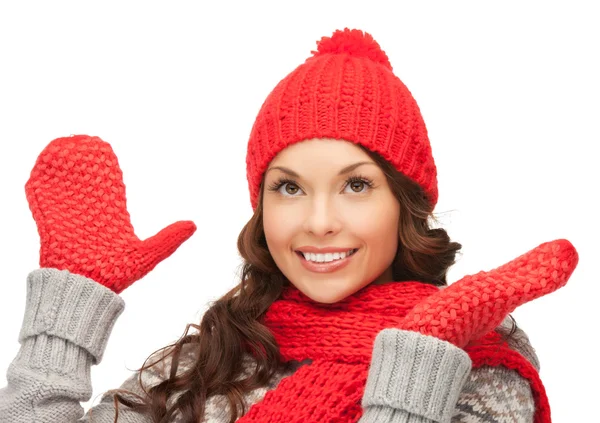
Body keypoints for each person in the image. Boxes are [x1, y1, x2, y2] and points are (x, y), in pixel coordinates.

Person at [0, 28, 578, 423]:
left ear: (406, 204)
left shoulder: (477, 369)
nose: (319, 221)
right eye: (289, 187)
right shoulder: (213, 356)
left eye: (356, 185)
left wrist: (416, 364)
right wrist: (66, 315)